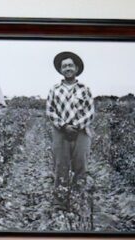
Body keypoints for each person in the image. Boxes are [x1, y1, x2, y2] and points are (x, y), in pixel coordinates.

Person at [46, 51, 94, 191]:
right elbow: (50, 111)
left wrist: (76, 126)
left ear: (76, 69)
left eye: (71, 65)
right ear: (61, 70)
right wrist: (64, 126)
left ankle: (79, 199)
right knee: (61, 165)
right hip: (61, 132)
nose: (68, 68)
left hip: (81, 132)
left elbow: (90, 112)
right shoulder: (54, 90)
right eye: (64, 66)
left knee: (81, 164)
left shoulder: (85, 89)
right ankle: (60, 201)